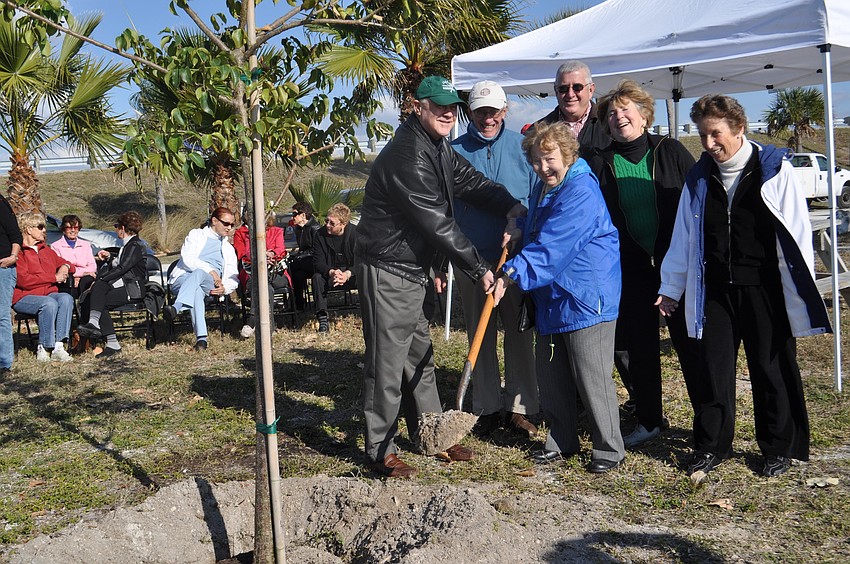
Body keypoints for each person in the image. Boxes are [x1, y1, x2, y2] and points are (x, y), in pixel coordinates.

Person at [355, 75, 525, 478]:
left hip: (411, 269)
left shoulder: (438, 146)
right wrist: (479, 268)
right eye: (439, 107)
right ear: (418, 107)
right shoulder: (408, 155)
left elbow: (471, 183)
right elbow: (437, 223)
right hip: (388, 269)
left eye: (452, 108)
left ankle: (433, 436)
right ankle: (380, 451)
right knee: (387, 365)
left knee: (420, 359)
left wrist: (511, 204)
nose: (448, 114)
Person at [657, 94, 831, 478]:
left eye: (715, 134)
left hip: (765, 288)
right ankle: (711, 445)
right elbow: (684, 236)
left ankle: (777, 447)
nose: (708, 143)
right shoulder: (699, 177)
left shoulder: (775, 171)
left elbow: (797, 234)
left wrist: (800, 291)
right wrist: (671, 287)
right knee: (712, 370)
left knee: (770, 368)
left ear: (738, 128)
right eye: (703, 135)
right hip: (715, 291)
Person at [491, 121, 625, 473]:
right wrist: (518, 225)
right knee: (552, 375)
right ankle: (562, 441)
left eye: (549, 158)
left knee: (590, 375)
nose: (543, 167)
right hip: (552, 296)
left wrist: (511, 274)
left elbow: (554, 245)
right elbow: (539, 226)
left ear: (567, 154)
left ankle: (609, 448)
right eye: (536, 161)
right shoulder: (545, 186)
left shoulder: (581, 190)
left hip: (585, 295)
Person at [589, 80, 700, 448]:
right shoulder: (600, 162)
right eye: (611, 113)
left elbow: (698, 201)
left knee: (690, 345)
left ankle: (707, 423)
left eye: (625, 110)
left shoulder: (670, 151)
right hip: (630, 268)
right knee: (640, 348)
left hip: (677, 266)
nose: (618, 117)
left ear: (644, 115)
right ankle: (650, 419)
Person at [450, 80, 539, 438]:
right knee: (479, 333)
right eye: (481, 111)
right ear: (470, 112)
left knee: (519, 332)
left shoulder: (524, 147)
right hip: (472, 258)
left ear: (505, 110)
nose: (488, 118)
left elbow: (537, 197)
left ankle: (521, 406)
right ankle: (485, 405)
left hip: (515, 259)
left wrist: (521, 225)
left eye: (494, 111)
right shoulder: (453, 151)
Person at [164, 207, 239, 351]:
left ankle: (177, 307)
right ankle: (202, 339)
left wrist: (225, 288)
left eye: (231, 224)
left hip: (209, 283)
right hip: (183, 278)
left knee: (199, 274)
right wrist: (211, 271)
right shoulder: (196, 235)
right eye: (226, 223)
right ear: (214, 221)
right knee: (196, 291)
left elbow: (233, 275)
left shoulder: (228, 248)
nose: (229, 228)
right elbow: (188, 258)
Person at [75, 211, 148, 358]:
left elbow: (123, 268)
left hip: (133, 289)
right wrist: (110, 257)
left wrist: (102, 279)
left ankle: (100, 330)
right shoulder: (129, 245)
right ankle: (105, 336)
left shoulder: (134, 245)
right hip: (125, 285)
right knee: (97, 297)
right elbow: (122, 262)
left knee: (99, 293)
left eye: (116, 226)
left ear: (122, 228)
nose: (115, 230)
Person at [13, 211, 75, 362]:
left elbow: (68, 264)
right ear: (28, 229)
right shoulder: (19, 252)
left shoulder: (46, 250)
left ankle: (59, 346)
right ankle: (44, 346)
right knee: (48, 303)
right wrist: (53, 278)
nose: (44, 230)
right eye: (40, 227)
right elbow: (24, 281)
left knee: (66, 298)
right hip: (24, 297)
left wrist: (65, 267)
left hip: (48, 294)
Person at [533, 60, 610, 157]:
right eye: (563, 88)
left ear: (590, 90)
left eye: (577, 87)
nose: (570, 94)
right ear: (556, 91)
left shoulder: (611, 126)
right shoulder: (537, 132)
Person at [234, 211, 289, 338]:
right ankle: (270, 328)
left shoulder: (277, 231)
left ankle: (252, 320)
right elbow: (246, 253)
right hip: (253, 274)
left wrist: (272, 255)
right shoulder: (248, 235)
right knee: (266, 287)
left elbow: (281, 250)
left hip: (276, 273)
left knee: (262, 283)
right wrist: (261, 255)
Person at [312, 203, 357, 334]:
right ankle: (322, 318)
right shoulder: (320, 235)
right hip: (330, 274)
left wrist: (348, 274)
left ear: (343, 224)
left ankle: (368, 313)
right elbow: (318, 262)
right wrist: (331, 272)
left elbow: (361, 261)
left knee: (367, 275)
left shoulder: (355, 234)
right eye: (327, 221)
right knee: (317, 278)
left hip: (352, 275)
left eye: (332, 223)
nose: (327, 225)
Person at [50, 214, 98, 297]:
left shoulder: (86, 245)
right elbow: (59, 268)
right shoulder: (55, 246)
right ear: (64, 229)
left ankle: (85, 303)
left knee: (88, 280)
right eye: (69, 228)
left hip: (84, 278)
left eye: (75, 228)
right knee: (69, 281)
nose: (73, 230)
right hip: (67, 278)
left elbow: (92, 267)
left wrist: (80, 276)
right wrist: (80, 274)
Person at [0, 194, 21, 373]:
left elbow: (15, 235)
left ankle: (4, 362)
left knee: (1, 315)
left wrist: (13, 257)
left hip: (3, 267)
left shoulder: (0, 204)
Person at [288, 201, 320, 310]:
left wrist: (300, 256)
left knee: (291, 267)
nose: (292, 217)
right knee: (297, 275)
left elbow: (316, 250)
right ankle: (299, 304)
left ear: (303, 215)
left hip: (314, 261)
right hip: (304, 261)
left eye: (294, 214)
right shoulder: (298, 229)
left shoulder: (315, 228)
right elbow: (302, 249)